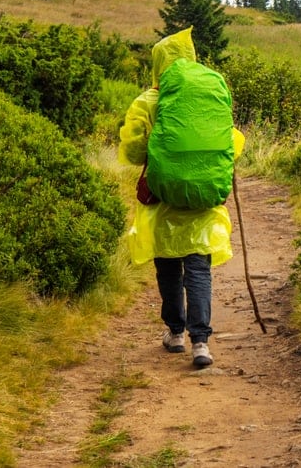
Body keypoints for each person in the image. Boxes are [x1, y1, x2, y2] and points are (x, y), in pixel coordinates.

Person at [117, 27, 242, 368]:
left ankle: (175, 333)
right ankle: (201, 342)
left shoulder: (148, 101)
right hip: (203, 197)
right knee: (199, 268)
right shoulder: (207, 95)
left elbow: (131, 150)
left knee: (169, 266)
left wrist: (156, 153)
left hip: (163, 197)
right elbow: (231, 140)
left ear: (158, 64)